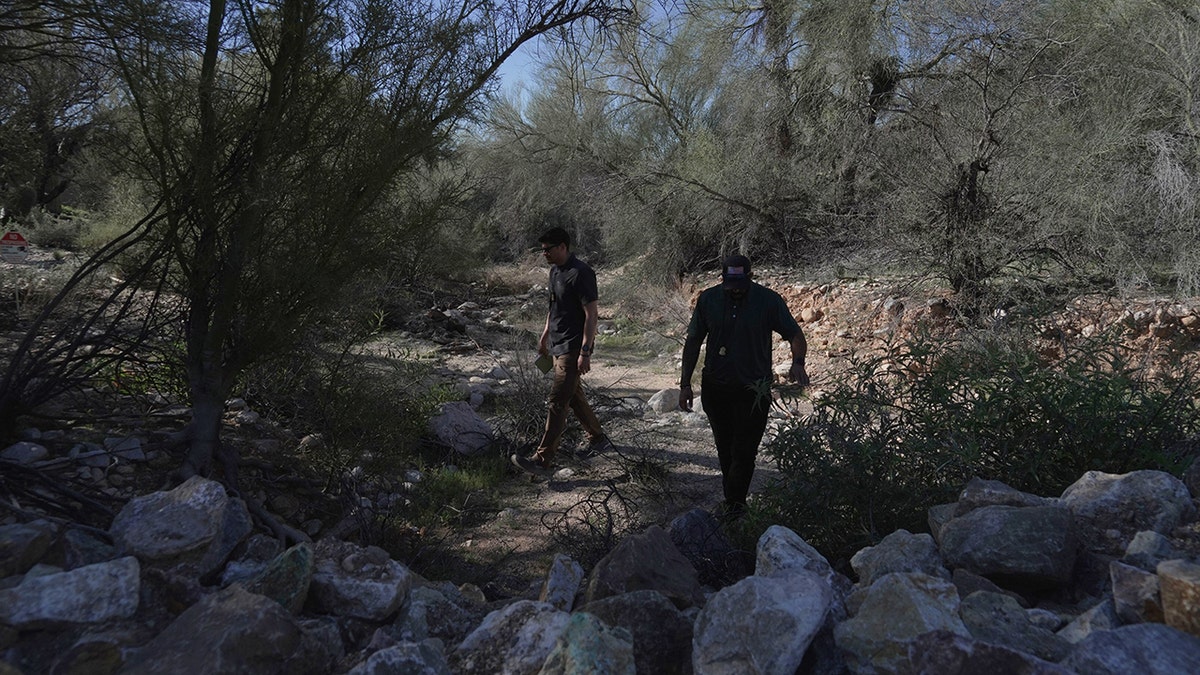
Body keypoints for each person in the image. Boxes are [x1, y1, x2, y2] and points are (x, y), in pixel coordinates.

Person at [679, 254, 809, 517]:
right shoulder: (709, 300)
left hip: (754, 390)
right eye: (730, 283)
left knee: (745, 450)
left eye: (740, 283)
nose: (735, 289)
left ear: (750, 277)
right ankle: (734, 501)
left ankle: (734, 506)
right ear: (723, 278)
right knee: (725, 448)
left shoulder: (768, 300)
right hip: (716, 388)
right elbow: (693, 342)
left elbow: (795, 334)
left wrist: (798, 362)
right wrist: (684, 384)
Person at [512, 227, 611, 474]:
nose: (544, 254)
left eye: (548, 249)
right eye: (542, 250)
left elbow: (591, 315)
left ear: (563, 247)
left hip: (573, 346)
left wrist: (585, 352)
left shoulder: (582, 273)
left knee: (558, 400)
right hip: (556, 343)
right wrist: (545, 336)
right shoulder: (554, 271)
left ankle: (542, 459)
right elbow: (554, 308)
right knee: (574, 396)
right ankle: (598, 438)